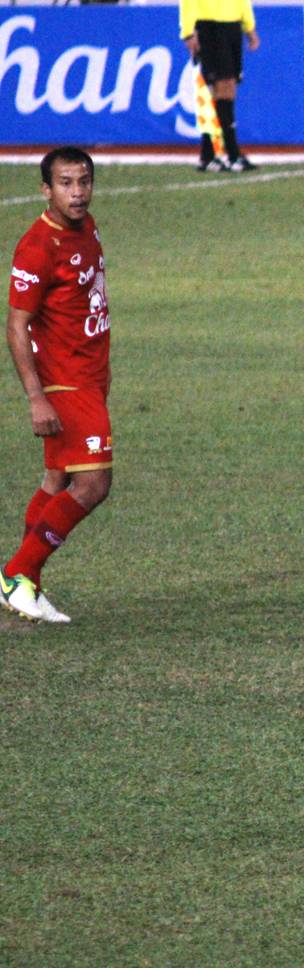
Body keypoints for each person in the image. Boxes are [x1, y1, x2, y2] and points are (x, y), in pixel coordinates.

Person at [2, 148, 114, 624]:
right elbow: (16, 324)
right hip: (65, 384)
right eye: (66, 183)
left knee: (58, 480)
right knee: (93, 483)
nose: (77, 192)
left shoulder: (86, 228)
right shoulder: (37, 247)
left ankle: (26, 584)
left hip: (91, 375)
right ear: (46, 190)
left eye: (84, 181)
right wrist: (36, 397)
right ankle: (18, 574)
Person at [181, 0, 260, 172]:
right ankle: (231, 154)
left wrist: (249, 27)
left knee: (228, 90)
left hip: (232, 24)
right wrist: (188, 31)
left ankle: (209, 156)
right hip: (210, 24)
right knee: (220, 88)